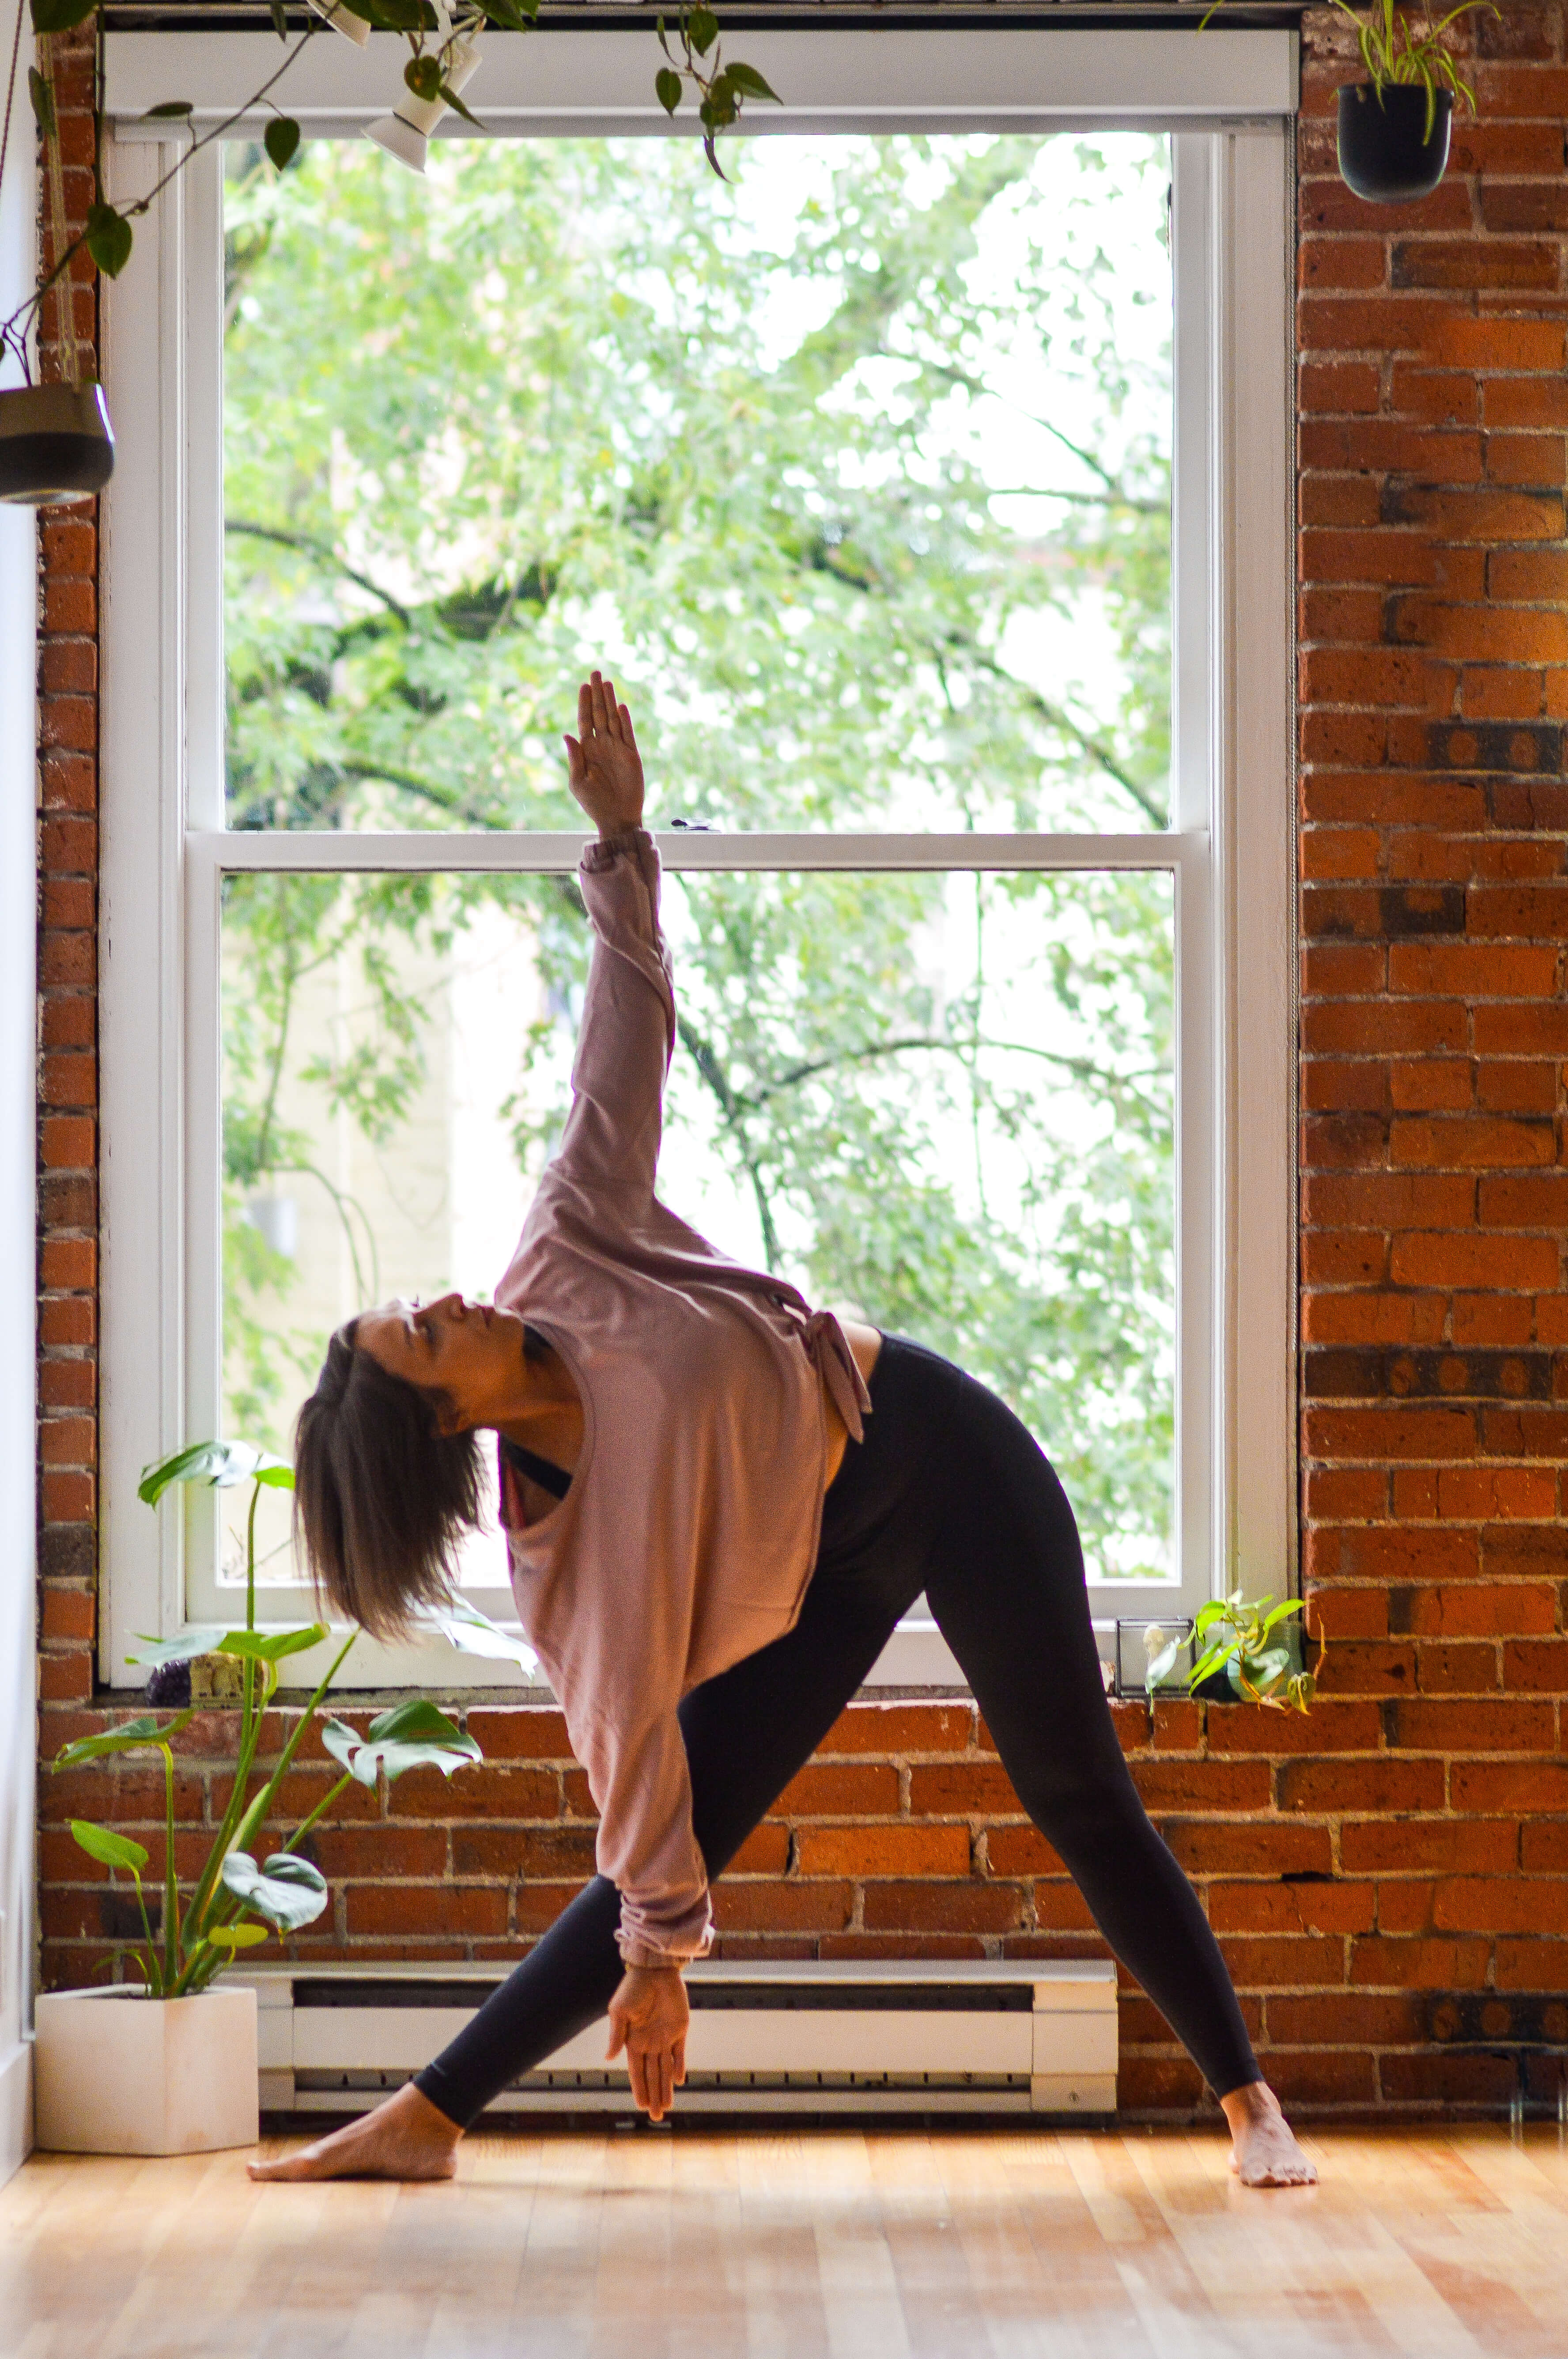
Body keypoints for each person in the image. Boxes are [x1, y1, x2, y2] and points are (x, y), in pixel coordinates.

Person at [250, 672, 1315, 2192]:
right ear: (441, 1420)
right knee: (652, 1867)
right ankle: (430, 2120)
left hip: (924, 1447)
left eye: (420, 1307)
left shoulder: (563, 1247)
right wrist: (662, 1958)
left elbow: (621, 1048)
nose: (443, 1299)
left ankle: (1252, 2105)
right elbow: (631, 1762)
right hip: (814, 1579)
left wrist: (620, 842)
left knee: (1076, 1785)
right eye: (423, 1335)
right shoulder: (563, 1562)